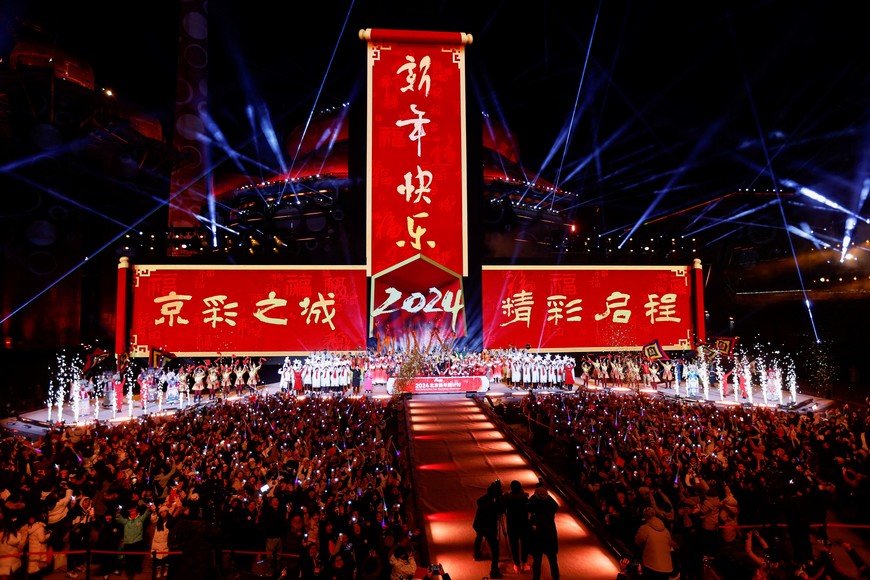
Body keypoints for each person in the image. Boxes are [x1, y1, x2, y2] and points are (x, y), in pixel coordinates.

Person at [473, 480, 505, 579]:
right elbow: (501, 511)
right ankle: (494, 570)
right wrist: (501, 500)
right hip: (489, 528)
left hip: (478, 525)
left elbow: (480, 501)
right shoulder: (493, 504)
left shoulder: (483, 500)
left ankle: (477, 554)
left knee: (479, 537)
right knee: (495, 548)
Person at [527, 482, 559, 580]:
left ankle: (536, 578)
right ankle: (556, 578)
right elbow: (556, 506)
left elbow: (527, 506)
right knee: (552, 560)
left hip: (537, 537)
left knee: (537, 561)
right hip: (549, 536)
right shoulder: (550, 503)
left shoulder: (533, 503)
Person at [635, 506, 675, 580]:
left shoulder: (644, 528)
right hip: (666, 567)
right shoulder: (665, 530)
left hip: (651, 565)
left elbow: (638, 542)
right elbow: (670, 544)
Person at [504, 480, 530, 573]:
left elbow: (502, 508)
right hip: (524, 524)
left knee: (514, 545)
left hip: (512, 525)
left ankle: (516, 565)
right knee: (525, 545)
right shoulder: (524, 498)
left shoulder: (508, 498)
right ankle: (524, 563)